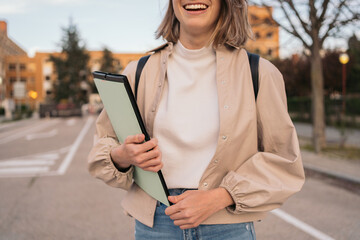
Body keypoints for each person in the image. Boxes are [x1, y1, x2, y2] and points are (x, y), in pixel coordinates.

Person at [88, 0, 305, 239]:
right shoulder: (137, 72)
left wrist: (221, 196)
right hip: (155, 226)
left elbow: (284, 160)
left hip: (227, 227)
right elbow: (103, 146)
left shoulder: (260, 73)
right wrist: (122, 156)